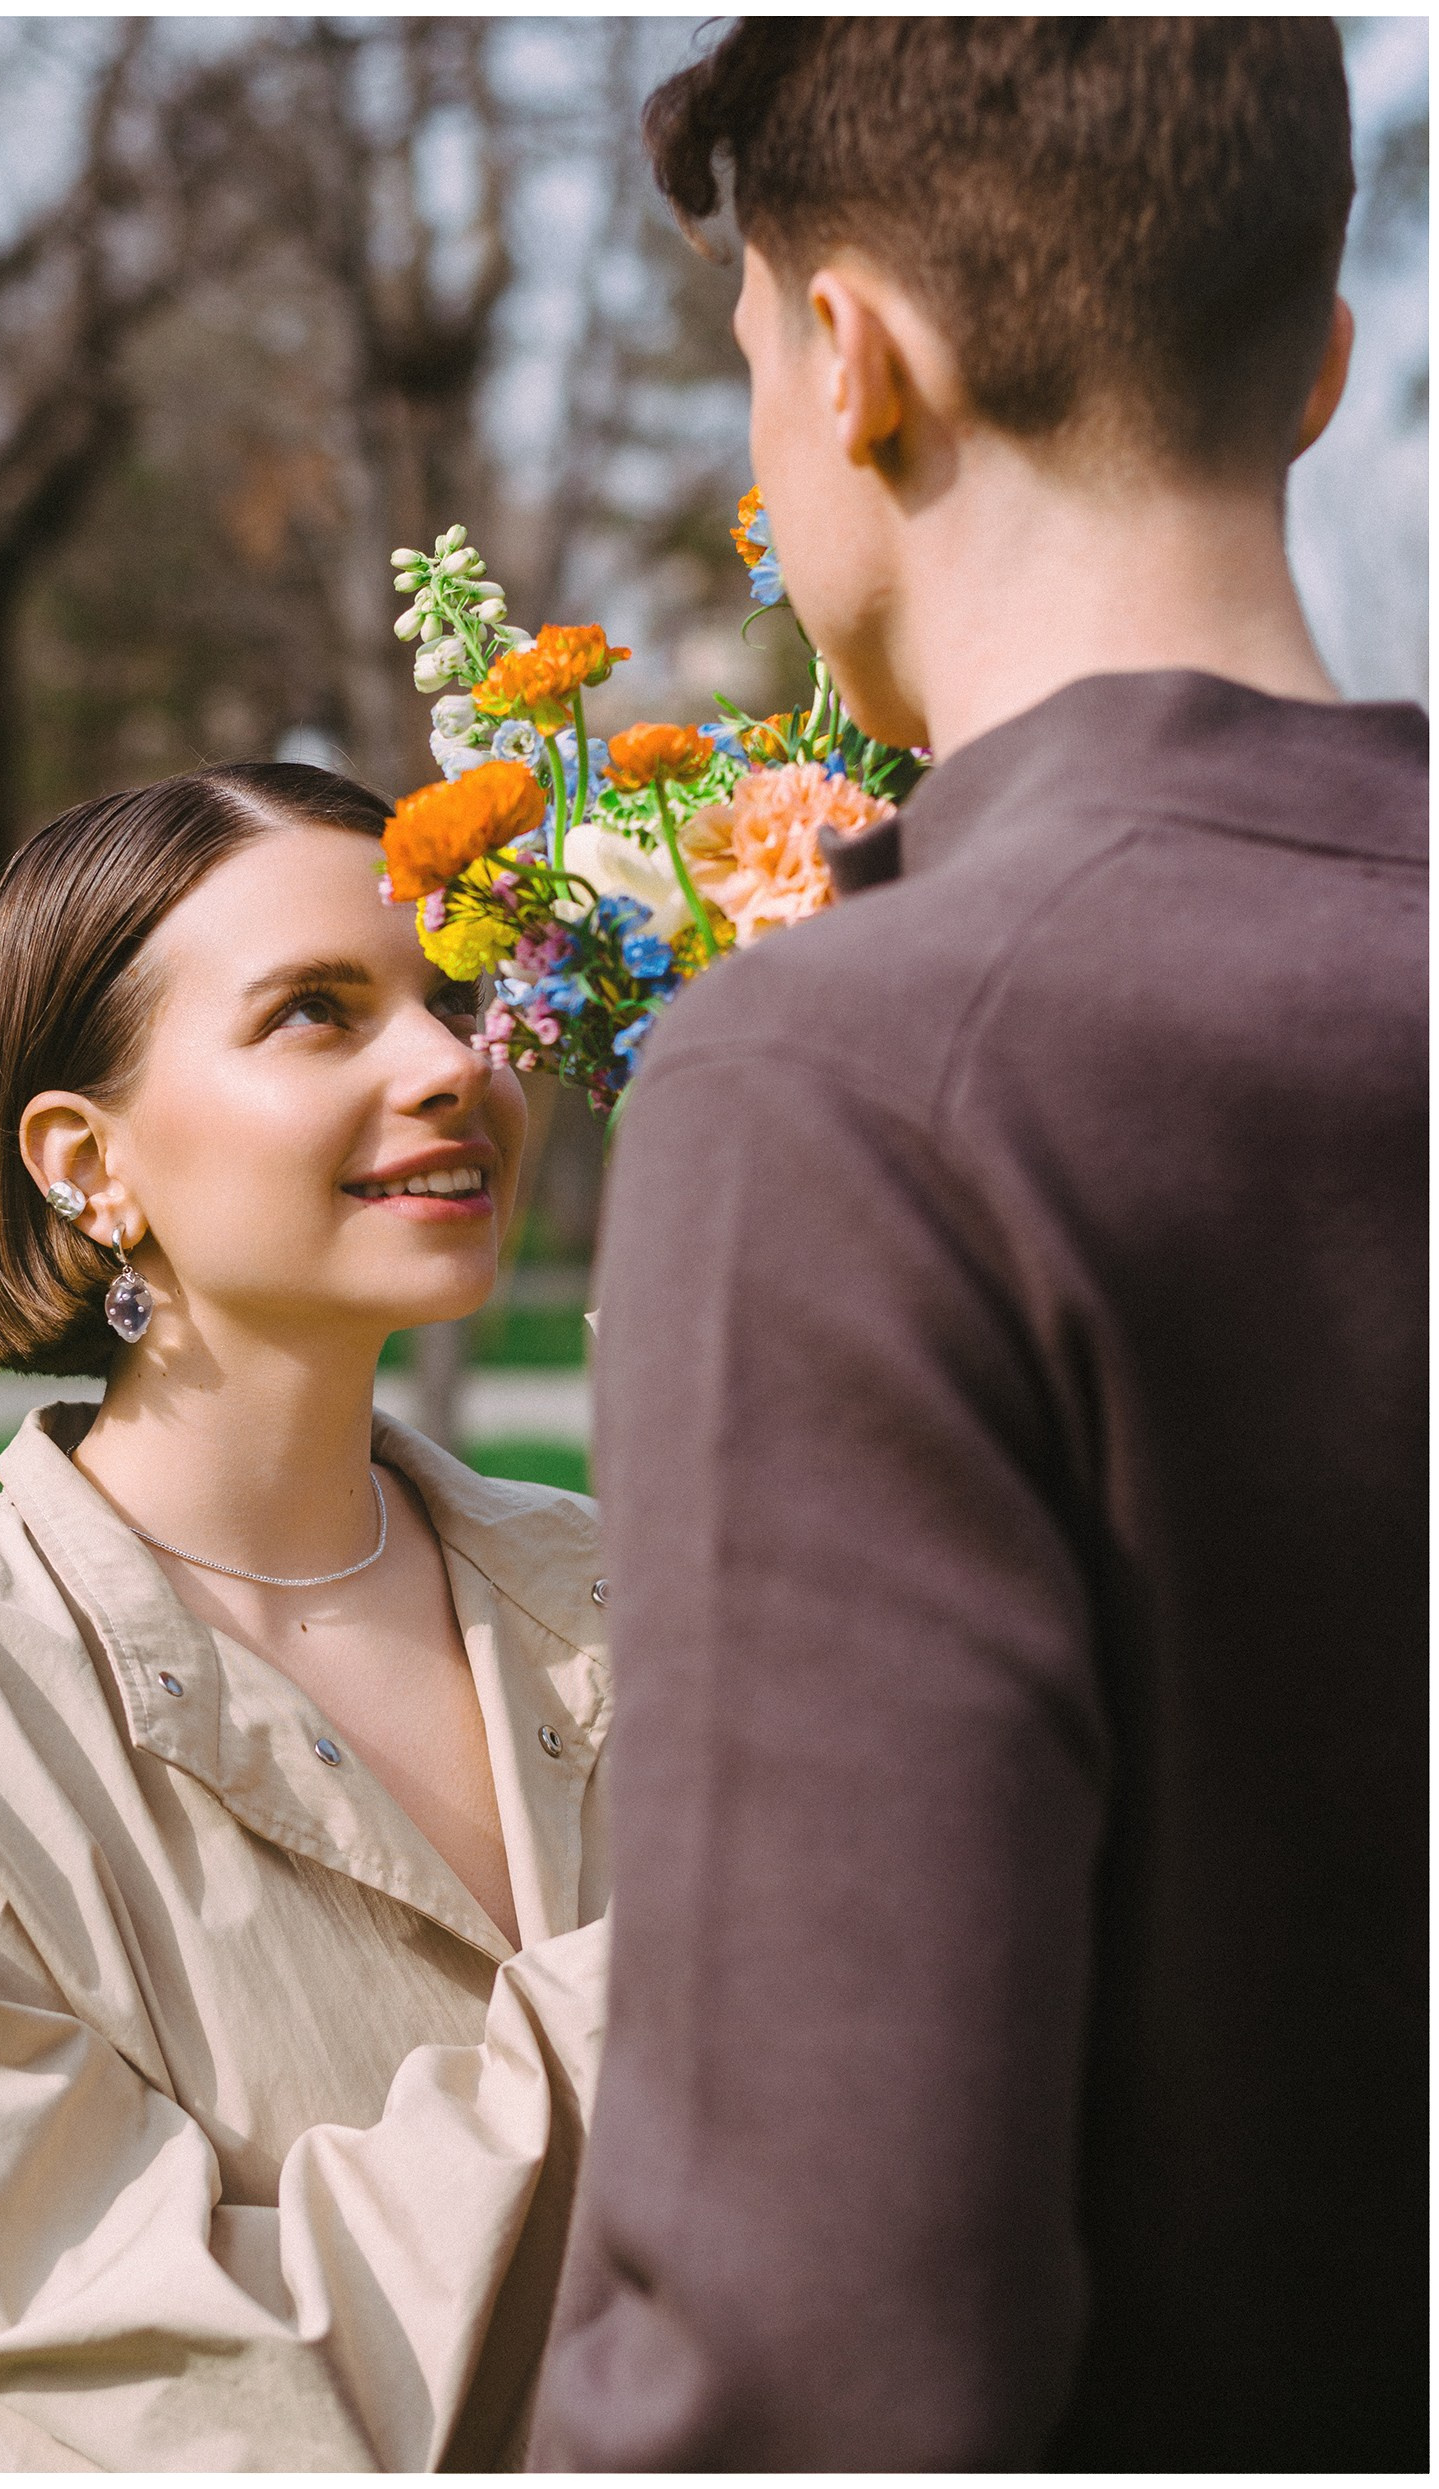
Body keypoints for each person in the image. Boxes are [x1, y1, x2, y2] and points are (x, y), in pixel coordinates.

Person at [532, 19, 1425, 2474]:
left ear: (851, 363)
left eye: (751, 365)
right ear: (1319, 371)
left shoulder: (853, 1084)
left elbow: (817, 2350)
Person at [0, 763, 611, 2472]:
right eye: (317, 1011)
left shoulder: (635, 1592)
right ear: (90, 1162)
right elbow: (131, 2389)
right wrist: (675, 1997)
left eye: (455, 995)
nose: (453, 1063)